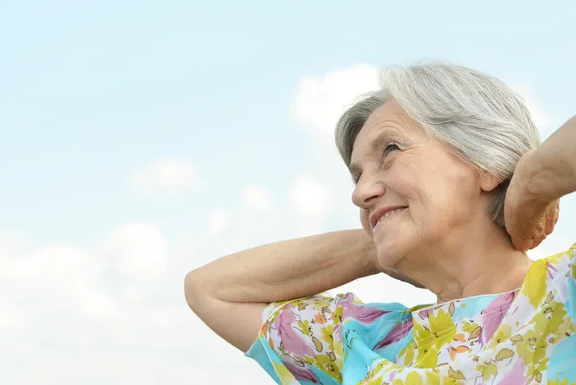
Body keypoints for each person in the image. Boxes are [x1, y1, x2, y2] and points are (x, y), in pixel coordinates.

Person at [184, 63, 576, 384]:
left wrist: (529, 180)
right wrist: (375, 245)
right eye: (357, 177)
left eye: (391, 149)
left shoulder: (564, 294)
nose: (360, 193)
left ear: (484, 160)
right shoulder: (365, 343)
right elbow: (210, 290)